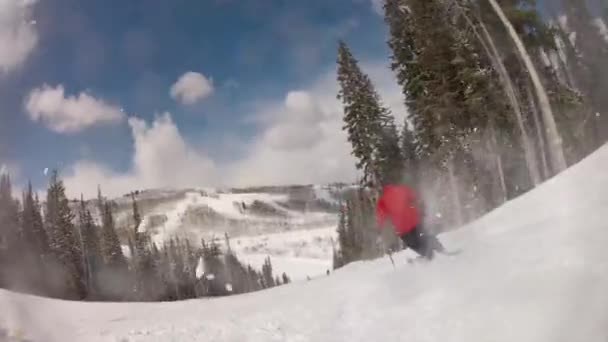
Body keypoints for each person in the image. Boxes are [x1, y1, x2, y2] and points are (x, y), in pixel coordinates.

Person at [375, 183, 443, 259]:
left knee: (412, 243)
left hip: (403, 228)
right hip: (414, 220)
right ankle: (436, 247)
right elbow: (415, 196)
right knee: (422, 236)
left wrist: (379, 229)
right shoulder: (402, 189)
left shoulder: (382, 201)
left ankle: (428, 254)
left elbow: (380, 217)